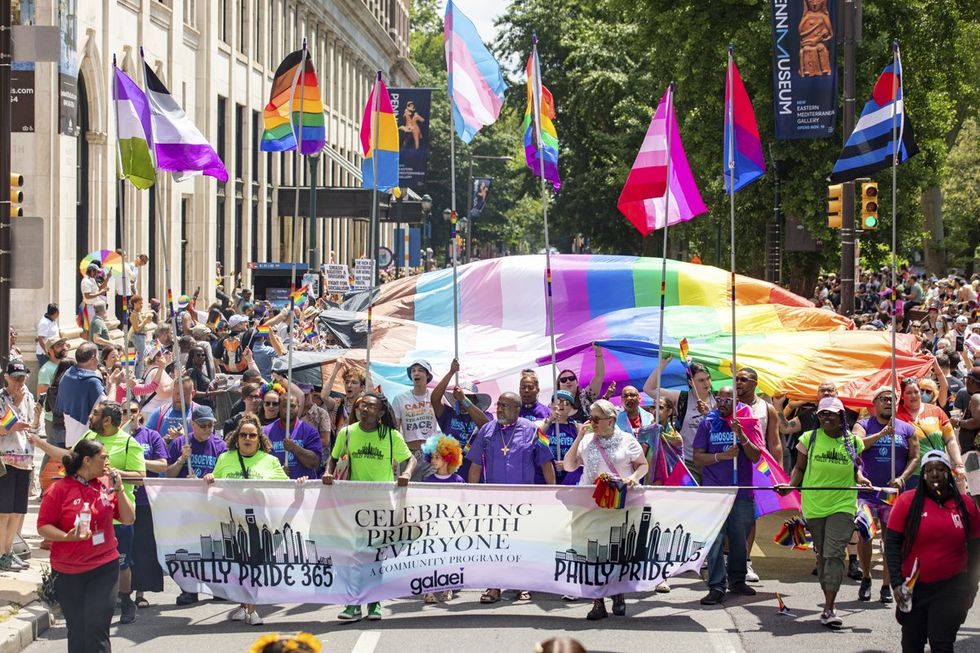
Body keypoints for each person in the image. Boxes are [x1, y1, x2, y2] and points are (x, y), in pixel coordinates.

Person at [777, 397, 871, 628]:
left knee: (834, 553)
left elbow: (856, 468)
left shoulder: (852, 441)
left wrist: (861, 479)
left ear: (841, 417)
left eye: (831, 414)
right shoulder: (809, 439)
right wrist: (790, 485)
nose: (826, 417)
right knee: (822, 556)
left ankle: (829, 608)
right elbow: (799, 468)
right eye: (822, 414)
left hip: (843, 504)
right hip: (814, 505)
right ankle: (828, 596)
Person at [36, 439, 135, 653]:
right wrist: (67, 537)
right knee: (78, 630)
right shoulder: (59, 489)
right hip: (68, 571)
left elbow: (128, 519)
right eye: (104, 457)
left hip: (104, 567)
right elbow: (43, 526)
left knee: (97, 628)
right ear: (87, 460)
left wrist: (120, 490)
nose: (108, 462)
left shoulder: (106, 485)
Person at [322, 392, 414, 622]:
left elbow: (411, 459)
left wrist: (406, 473)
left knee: (375, 555)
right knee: (353, 555)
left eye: (371, 407)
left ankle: (374, 602)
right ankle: (352, 603)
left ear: (381, 412)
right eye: (362, 406)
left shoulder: (391, 436)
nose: (365, 409)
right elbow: (333, 458)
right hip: (353, 502)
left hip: (381, 503)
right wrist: (327, 472)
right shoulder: (347, 432)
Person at [884, 449, 980, 653]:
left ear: (949, 473)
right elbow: (892, 544)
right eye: (929, 470)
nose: (935, 474)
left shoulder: (966, 505)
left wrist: (972, 588)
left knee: (942, 642)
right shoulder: (907, 502)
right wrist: (896, 583)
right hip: (914, 587)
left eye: (940, 469)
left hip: (952, 586)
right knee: (912, 644)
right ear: (923, 474)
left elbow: (975, 549)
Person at [466, 391, 555, 604]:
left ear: (517, 409)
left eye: (505, 406)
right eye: (499, 405)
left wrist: (552, 493)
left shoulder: (534, 430)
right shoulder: (486, 430)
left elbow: (546, 463)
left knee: (523, 542)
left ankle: (523, 584)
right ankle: (494, 586)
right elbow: (476, 465)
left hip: (524, 499)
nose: (499, 409)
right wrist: (471, 494)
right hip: (494, 499)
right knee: (495, 543)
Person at [563, 399, 648, 620]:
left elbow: (643, 465)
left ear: (610, 421)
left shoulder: (627, 440)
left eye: (596, 419)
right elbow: (570, 466)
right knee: (592, 553)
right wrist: (580, 437)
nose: (592, 422)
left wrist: (633, 477)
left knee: (616, 553)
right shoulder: (588, 440)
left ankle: (618, 593)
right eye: (590, 417)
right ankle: (597, 602)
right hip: (591, 504)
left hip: (618, 504)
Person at [204, 414, 291, 626]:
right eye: (243, 434)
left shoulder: (271, 461)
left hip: (259, 524)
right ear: (237, 437)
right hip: (231, 522)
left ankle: (252, 610)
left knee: (254, 565)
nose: (248, 438)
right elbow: (215, 485)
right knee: (239, 565)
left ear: (259, 438)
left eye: (252, 435)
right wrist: (209, 479)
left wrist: (301, 482)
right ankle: (244, 606)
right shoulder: (225, 458)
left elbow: (286, 488)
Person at [692, 386, 762, 606]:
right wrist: (721, 456)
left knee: (739, 538)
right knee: (715, 540)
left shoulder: (748, 420)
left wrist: (741, 436)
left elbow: (756, 455)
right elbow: (697, 458)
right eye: (719, 399)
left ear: (736, 400)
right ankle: (716, 585)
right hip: (715, 492)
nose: (722, 403)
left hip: (741, 490)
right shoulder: (708, 422)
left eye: (727, 400)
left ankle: (737, 580)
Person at [853, 387, 920, 603]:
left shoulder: (907, 428)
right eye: (884, 399)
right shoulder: (863, 425)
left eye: (893, 399)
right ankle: (866, 577)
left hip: (891, 494)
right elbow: (855, 446)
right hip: (868, 491)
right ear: (874, 403)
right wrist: (881, 435)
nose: (889, 403)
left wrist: (902, 478)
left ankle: (886, 585)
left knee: (890, 540)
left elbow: (914, 457)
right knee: (865, 534)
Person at [124, 401, 168, 609]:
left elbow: (162, 464)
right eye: (125, 412)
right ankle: (122, 592)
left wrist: (140, 461)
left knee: (143, 548)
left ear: (139, 413)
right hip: (121, 500)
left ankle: (141, 592)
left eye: (133, 411)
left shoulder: (151, 436)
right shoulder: (119, 437)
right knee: (124, 548)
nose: (130, 415)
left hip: (144, 499)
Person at [644, 356, 715, 477]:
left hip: (712, 461)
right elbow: (649, 389)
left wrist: (709, 415)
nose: (707, 383)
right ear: (690, 382)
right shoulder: (682, 398)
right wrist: (662, 364)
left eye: (708, 378)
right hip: (688, 463)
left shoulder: (719, 400)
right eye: (701, 380)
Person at [0, 361, 38, 571]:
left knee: (17, 511)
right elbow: (3, 428)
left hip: (25, 459)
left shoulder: (29, 397)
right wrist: (15, 402)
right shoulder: (2, 397)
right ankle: (2, 553)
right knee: (3, 511)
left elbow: (31, 423)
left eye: (22, 378)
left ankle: (9, 551)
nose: (18, 382)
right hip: (5, 459)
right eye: (15, 378)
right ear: (6, 377)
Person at [897, 376, 966, 492]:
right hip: (911, 476)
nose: (913, 395)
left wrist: (959, 465)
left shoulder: (936, 411)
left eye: (916, 391)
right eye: (909, 393)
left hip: (939, 471)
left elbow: (950, 439)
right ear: (902, 396)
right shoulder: (896, 416)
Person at [419, 433, 465, 602]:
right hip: (432, 526)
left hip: (451, 526)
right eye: (432, 457)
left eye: (437, 457)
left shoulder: (458, 480)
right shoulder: (428, 480)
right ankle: (429, 590)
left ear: (448, 458)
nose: (433, 461)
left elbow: (463, 503)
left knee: (449, 557)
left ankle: (448, 588)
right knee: (431, 558)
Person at [430, 359, 491, 481]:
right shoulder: (448, 414)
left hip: (475, 469)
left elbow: (486, 426)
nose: (463, 401)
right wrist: (451, 372)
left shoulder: (486, 415)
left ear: (475, 401)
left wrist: (464, 400)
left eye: (468, 398)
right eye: (461, 398)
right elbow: (435, 399)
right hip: (451, 471)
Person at [391, 359, 441, 481]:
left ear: (428, 375)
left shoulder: (435, 397)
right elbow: (395, 429)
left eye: (420, 370)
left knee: (430, 492)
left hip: (430, 454)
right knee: (407, 492)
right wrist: (394, 457)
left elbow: (443, 423)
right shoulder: (399, 398)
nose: (416, 373)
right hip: (408, 454)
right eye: (413, 371)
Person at [55, 342, 106, 445]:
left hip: (70, 440)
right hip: (88, 443)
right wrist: (113, 384)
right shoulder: (93, 382)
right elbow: (108, 408)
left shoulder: (67, 374)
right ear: (93, 358)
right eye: (98, 356)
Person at [263, 394, 322, 480]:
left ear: (299, 407)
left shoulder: (310, 432)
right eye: (284, 406)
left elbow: (315, 463)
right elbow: (261, 463)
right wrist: (276, 472)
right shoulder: (266, 432)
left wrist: (295, 448)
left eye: (292, 406)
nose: (289, 409)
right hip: (276, 488)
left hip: (303, 487)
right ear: (279, 407)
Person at [537, 390, 579, 485]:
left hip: (568, 477)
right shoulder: (543, 423)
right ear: (551, 404)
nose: (561, 405)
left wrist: (566, 464)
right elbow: (536, 439)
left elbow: (580, 452)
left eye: (566, 403)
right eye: (558, 401)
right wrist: (551, 420)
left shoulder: (576, 427)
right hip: (544, 476)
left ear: (571, 408)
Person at [555, 344, 606, 422]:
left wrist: (598, 352)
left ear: (577, 383)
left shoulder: (585, 397)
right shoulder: (554, 405)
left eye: (571, 378)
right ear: (559, 385)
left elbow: (599, 376)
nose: (568, 381)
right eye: (563, 380)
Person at [147, 376, 198, 446]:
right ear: (172, 392)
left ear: (192, 394)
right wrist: (162, 441)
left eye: (183, 394)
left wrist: (183, 439)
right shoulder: (159, 413)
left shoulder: (199, 414)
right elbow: (146, 440)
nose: (179, 397)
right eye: (176, 393)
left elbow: (207, 442)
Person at [950, 366, 980, 456]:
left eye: (966, 379)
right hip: (972, 451)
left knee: (973, 471)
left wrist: (958, 423)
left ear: (971, 380)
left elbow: (977, 422)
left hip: (973, 453)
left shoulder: (976, 397)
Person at [35, 303, 60, 368]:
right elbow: (41, 339)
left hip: (52, 352)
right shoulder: (44, 322)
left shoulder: (53, 320)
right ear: (56, 312)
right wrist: (47, 353)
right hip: (44, 354)